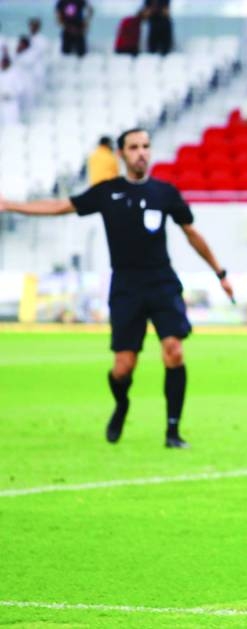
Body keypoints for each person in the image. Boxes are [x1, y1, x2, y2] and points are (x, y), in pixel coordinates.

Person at [0, 128, 234, 448]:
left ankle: (172, 431)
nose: (141, 153)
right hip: (126, 286)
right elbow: (60, 207)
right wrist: (11, 205)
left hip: (162, 282)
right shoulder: (107, 192)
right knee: (123, 367)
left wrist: (220, 272)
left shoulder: (165, 193)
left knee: (174, 351)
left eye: (146, 146)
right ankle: (122, 404)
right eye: (134, 147)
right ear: (122, 154)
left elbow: (192, 234)